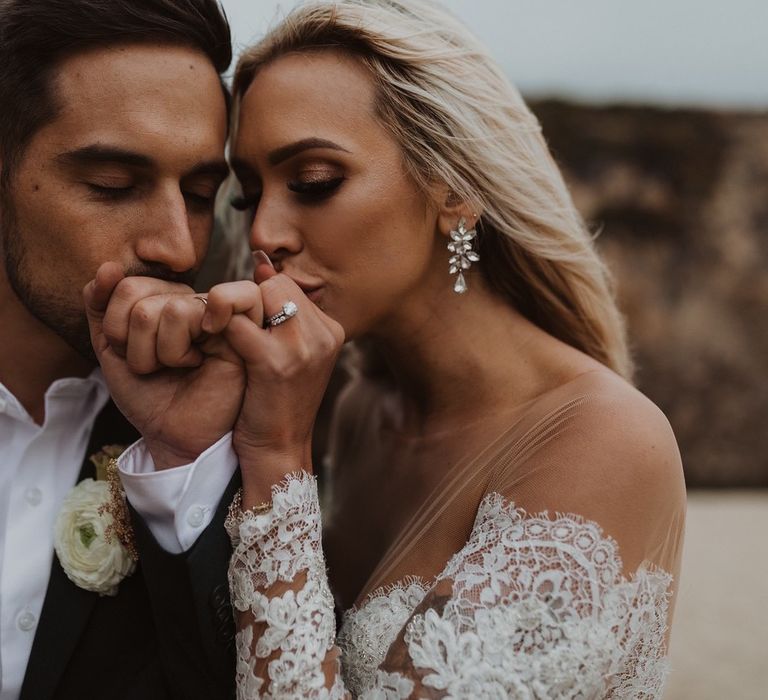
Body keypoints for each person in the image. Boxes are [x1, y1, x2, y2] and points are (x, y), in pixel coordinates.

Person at [97, 0, 687, 696]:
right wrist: (188, 450)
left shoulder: (604, 443)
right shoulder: (358, 409)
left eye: (314, 183)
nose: (265, 233)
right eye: (247, 195)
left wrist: (278, 457)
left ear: (456, 189)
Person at [0, 1, 240, 697]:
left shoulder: (226, 439)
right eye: (114, 185)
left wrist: (183, 464)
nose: (179, 246)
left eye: (200, 194)